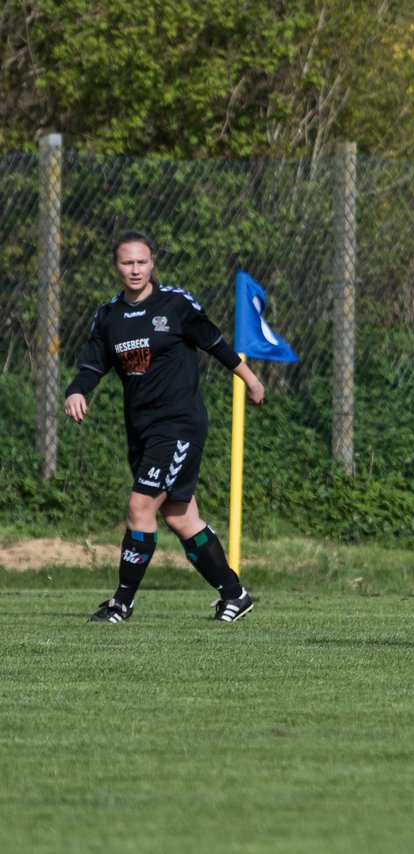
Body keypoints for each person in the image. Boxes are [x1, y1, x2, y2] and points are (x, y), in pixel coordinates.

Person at [64, 230, 265, 623]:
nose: (135, 269)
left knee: (140, 507)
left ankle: (121, 603)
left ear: (152, 263)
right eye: (127, 262)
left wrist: (250, 379)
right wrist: (76, 391)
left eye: (142, 262)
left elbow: (214, 342)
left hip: (179, 424)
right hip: (141, 428)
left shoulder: (174, 304)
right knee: (180, 517)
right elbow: (92, 364)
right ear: (115, 266)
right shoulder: (109, 316)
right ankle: (235, 594)